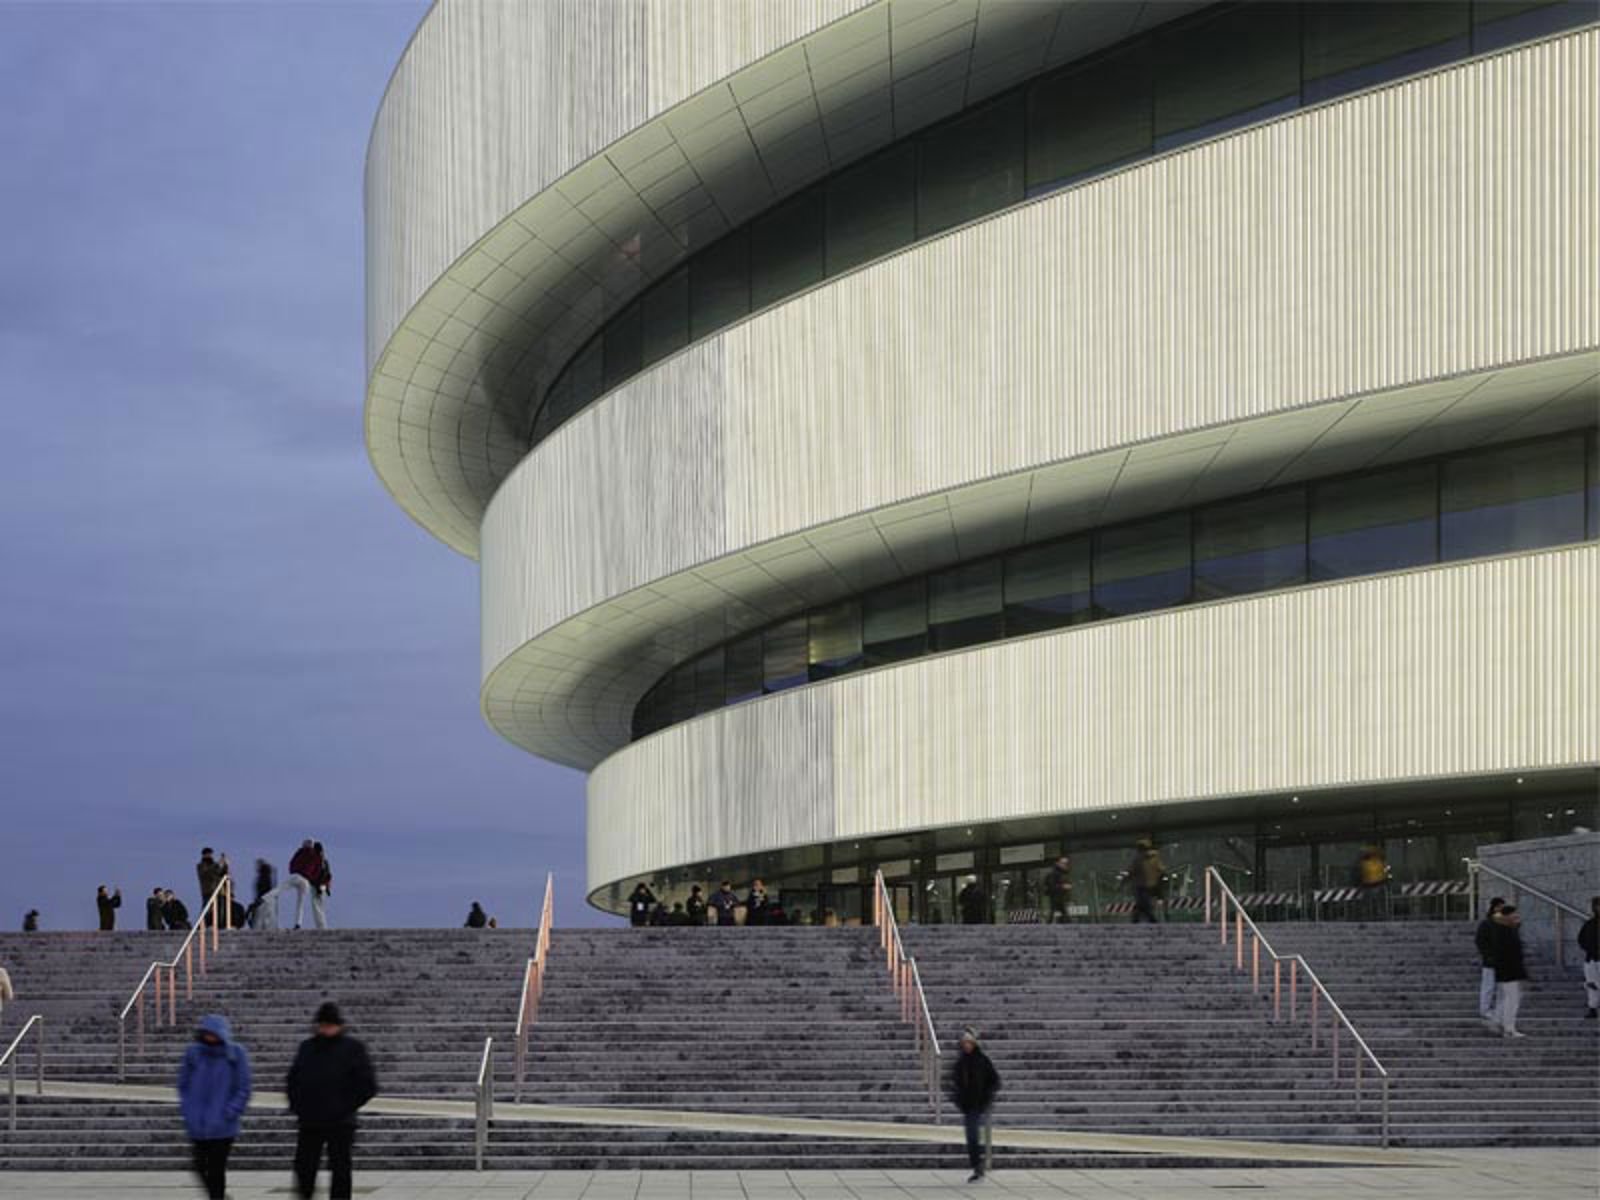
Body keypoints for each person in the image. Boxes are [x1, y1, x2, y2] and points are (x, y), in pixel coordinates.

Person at [286, 1002, 377, 1200]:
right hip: (310, 1120)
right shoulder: (307, 1047)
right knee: (304, 1168)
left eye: (330, 1025)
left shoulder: (353, 1048)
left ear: (339, 1026)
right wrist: (298, 1106)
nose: (326, 1029)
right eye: (323, 1025)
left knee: (340, 1169)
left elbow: (367, 1085)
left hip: (340, 1121)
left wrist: (345, 1106)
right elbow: (293, 1079)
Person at [177, 1014, 253, 1200]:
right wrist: (189, 1111)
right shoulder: (193, 1053)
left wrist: (231, 1111)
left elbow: (244, 1087)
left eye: (214, 1034)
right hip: (198, 1125)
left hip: (223, 1126)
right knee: (199, 1166)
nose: (210, 1037)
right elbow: (183, 1084)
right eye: (207, 1033)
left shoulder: (235, 1054)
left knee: (216, 1169)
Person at [949, 1026, 1001, 1182]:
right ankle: (978, 1166)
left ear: (974, 1044)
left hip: (978, 1105)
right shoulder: (961, 1063)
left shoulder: (982, 1060)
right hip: (968, 1105)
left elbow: (995, 1080)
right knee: (972, 1137)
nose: (967, 1046)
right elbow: (953, 1082)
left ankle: (978, 1167)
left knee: (973, 1136)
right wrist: (959, 1099)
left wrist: (986, 1097)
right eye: (964, 1043)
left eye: (969, 1043)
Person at [1487, 905, 1529, 1038]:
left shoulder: (1507, 929)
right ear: (1507, 916)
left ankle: (1497, 1020)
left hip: (1509, 970)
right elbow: (1507, 952)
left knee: (1510, 998)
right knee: (1512, 999)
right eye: (1514, 914)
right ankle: (1508, 1028)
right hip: (1508, 970)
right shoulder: (1503, 931)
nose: (1516, 916)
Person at [1475, 896, 1506, 1024]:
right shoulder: (1486, 924)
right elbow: (1480, 941)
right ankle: (1485, 1010)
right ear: (1494, 907)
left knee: (1501, 989)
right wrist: (1488, 955)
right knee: (1488, 986)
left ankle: (1499, 1011)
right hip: (1491, 961)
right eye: (1499, 906)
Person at [285, 840, 321, 930]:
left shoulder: (301, 853)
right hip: (308, 882)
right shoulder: (316, 857)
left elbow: (292, 863)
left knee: (314, 907)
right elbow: (317, 872)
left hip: (302, 879)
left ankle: (300, 924)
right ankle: (299, 923)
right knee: (303, 904)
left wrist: (294, 871)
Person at [1129, 840, 1167, 924]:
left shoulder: (1140, 859)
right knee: (1142, 903)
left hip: (1144, 886)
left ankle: (1150, 920)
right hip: (1148, 885)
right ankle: (1142, 919)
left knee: (1142, 904)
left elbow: (1131, 871)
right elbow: (1162, 870)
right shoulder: (1153, 858)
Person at [1355, 845, 1389, 920]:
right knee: (1378, 902)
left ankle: (1366, 915)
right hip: (1378, 884)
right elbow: (1385, 872)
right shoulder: (1379, 862)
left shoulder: (1364, 863)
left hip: (1368, 885)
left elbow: (1360, 873)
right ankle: (1380, 915)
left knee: (1367, 902)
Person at [1579, 896, 1599, 1020]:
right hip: (1591, 959)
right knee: (1592, 985)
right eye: (1596, 905)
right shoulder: (1589, 923)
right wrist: (1589, 949)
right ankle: (1592, 1008)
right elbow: (1581, 939)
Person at [311, 842, 333, 929]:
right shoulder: (325, 861)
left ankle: (320, 926)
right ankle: (323, 925)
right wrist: (327, 887)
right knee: (321, 905)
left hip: (317, 885)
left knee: (316, 906)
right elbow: (329, 875)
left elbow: (318, 875)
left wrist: (317, 886)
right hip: (323, 885)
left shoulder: (317, 861)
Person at [1045, 857, 1073, 924]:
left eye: (1066, 864)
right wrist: (1063, 886)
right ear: (1058, 863)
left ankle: (1068, 923)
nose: (1065, 865)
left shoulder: (1062, 873)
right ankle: (1047, 926)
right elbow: (1052, 886)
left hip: (1060, 896)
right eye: (1064, 863)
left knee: (1062, 912)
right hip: (1055, 896)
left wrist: (1066, 886)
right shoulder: (1054, 873)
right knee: (1054, 911)